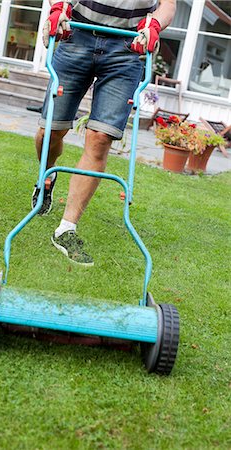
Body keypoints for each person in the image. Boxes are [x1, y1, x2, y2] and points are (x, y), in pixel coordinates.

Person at [33, 0, 176, 266]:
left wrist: (154, 25)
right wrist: (59, 8)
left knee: (100, 139)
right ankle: (46, 178)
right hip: (77, 34)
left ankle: (66, 229)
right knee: (50, 132)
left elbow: (168, 5)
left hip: (127, 46)